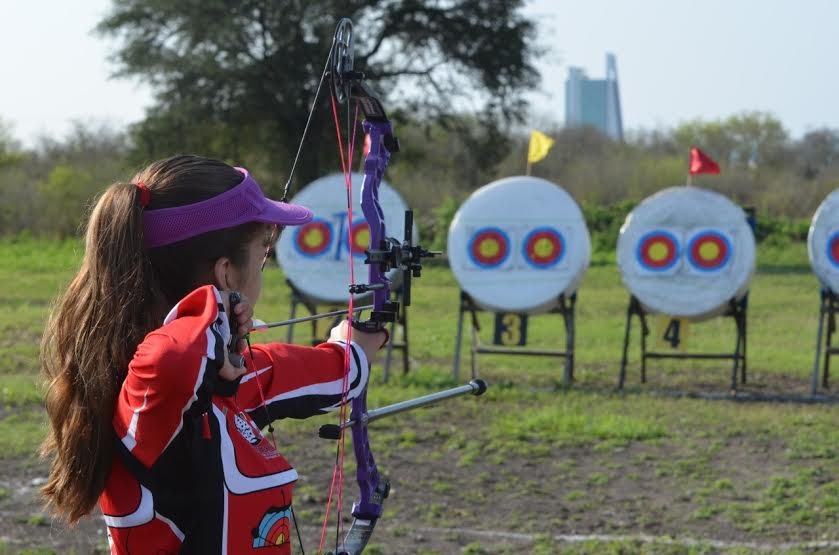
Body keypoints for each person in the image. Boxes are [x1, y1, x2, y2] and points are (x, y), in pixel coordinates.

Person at [39, 155, 386, 554]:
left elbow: (291, 372)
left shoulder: (217, 385)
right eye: (262, 254)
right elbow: (175, 358)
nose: (263, 269)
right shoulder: (149, 397)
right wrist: (213, 313)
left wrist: (353, 348)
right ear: (225, 274)